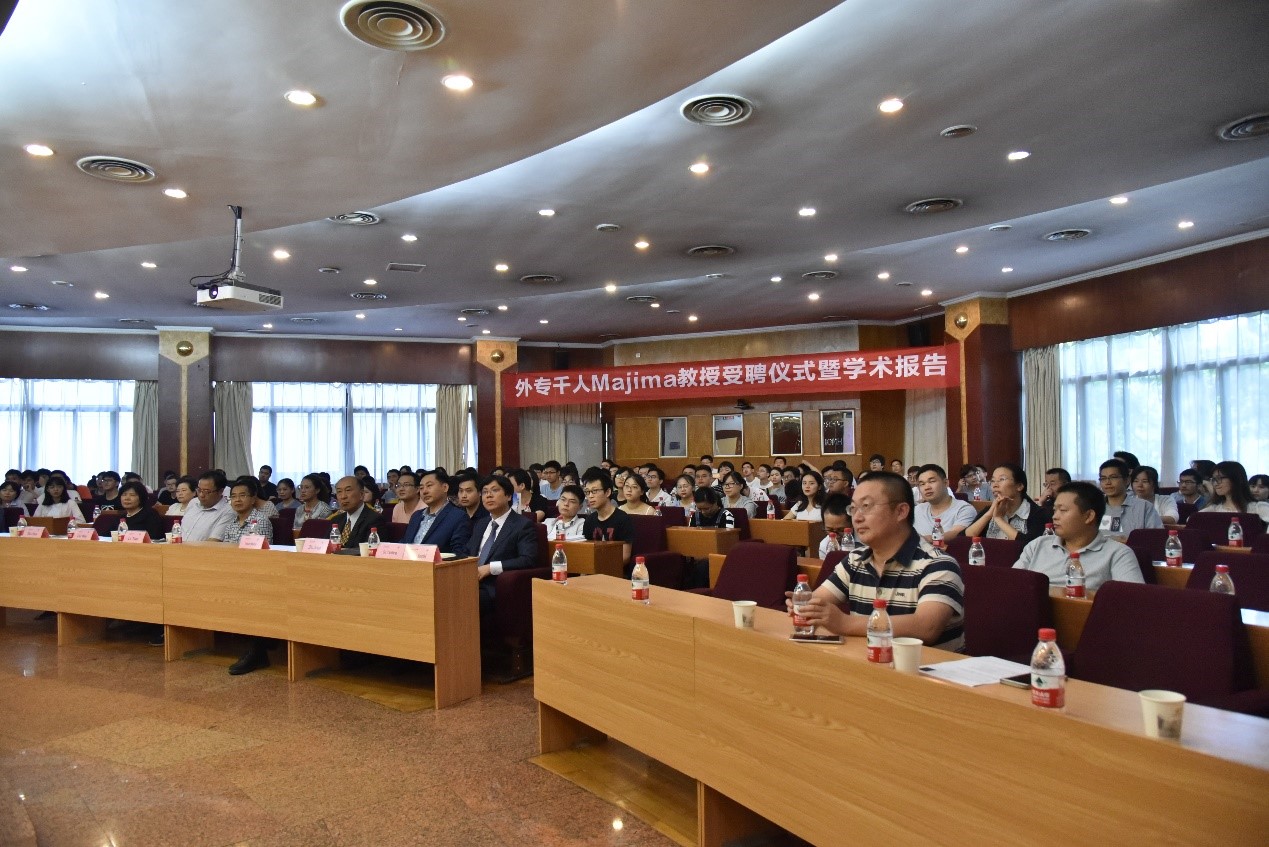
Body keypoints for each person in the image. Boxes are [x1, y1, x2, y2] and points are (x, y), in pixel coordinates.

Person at [788, 472, 965, 651]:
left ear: (901, 511)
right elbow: (817, 601)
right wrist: (804, 607)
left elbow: (927, 627)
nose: (857, 518)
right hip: (867, 663)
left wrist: (844, 623)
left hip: (924, 666)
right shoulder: (855, 560)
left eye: (866, 506)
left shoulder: (938, 564)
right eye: (853, 508)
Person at [1013, 481, 1142, 592]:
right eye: (1054, 510)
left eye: (1063, 510)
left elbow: (1131, 601)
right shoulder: (1037, 545)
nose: (1054, 517)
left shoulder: (1118, 554)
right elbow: (1012, 586)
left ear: (1089, 516)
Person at [465, 474, 540, 613]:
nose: (488, 495)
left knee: (463, 598)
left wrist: (490, 568)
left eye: (494, 490)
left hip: (496, 586)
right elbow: (467, 552)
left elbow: (528, 559)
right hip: (469, 581)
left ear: (509, 496)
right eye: (485, 492)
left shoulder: (522, 525)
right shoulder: (481, 524)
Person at [962, 464, 1050, 543]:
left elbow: (1030, 546)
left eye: (1002, 479)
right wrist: (989, 514)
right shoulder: (988, 510)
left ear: (1019, 486)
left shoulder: (1038, 513)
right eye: (993, 481)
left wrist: (999, 519)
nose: (995, 485)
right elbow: (963, 540)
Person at [402, 468, 472, 554]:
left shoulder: (458, 517)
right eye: (421, 488)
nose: (424, 491)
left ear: (445, 487)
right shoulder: (416, 515)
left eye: (429, 486)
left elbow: (458, 553)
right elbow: (405, 543)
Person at [1097, 458, 1162, 541]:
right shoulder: (1093, 508)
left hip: (1134, 549)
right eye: (1103, 478)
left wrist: (1130, 541)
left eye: (1113, 477)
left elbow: (1156, 539)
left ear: (1127, 480)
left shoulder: (1144, 507)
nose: (1107, 483)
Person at [581, 468, 634, 564]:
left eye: (594, 491)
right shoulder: (589, 520)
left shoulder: (622, 519)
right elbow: (587, 551)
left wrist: (601, 566)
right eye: (587, 492)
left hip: (615, 569)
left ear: (608, 492)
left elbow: (625, 557)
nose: (590, 496)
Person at [912, 464, 977, 542]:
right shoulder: (917, 510)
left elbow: (957, 534)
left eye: (932, 481)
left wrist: (921, 540)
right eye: (922, 484)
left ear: (946, 483)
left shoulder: (964, 509)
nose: (927, 487)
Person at [329, 476, 386, 550]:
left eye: (348, 490)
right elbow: (325, 546)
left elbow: (369, 550)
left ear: (361, 494)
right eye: (339, 491)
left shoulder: (375, 520)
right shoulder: (336, 520)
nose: (343, 496)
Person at [1201, 461, 1269, 521]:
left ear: (1235, 479)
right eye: (1214, 479)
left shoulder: (1257, 507)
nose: (1216, 484)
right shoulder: (1214, 509)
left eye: (1219, 478)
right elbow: (1195, 520)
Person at [180, 471, 235, 542]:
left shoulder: (228, 512)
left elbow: (213, 542)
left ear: (220, 491)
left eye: (206, 491)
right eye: (199, 490)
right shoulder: (193, 502)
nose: (201, 495)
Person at [222, 476, 275, 545]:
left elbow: (262, 549)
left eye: (242, 495)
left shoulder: (261, 521)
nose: (237, 500)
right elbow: (226, 548)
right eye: (233, 496)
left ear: (253, 499)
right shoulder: (231, 524)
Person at [816, 493, 852, 558]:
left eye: (840, 530)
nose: (835, 535)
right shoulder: (825, 545)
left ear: (852, 524)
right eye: (830, 530)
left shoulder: (864, 542)